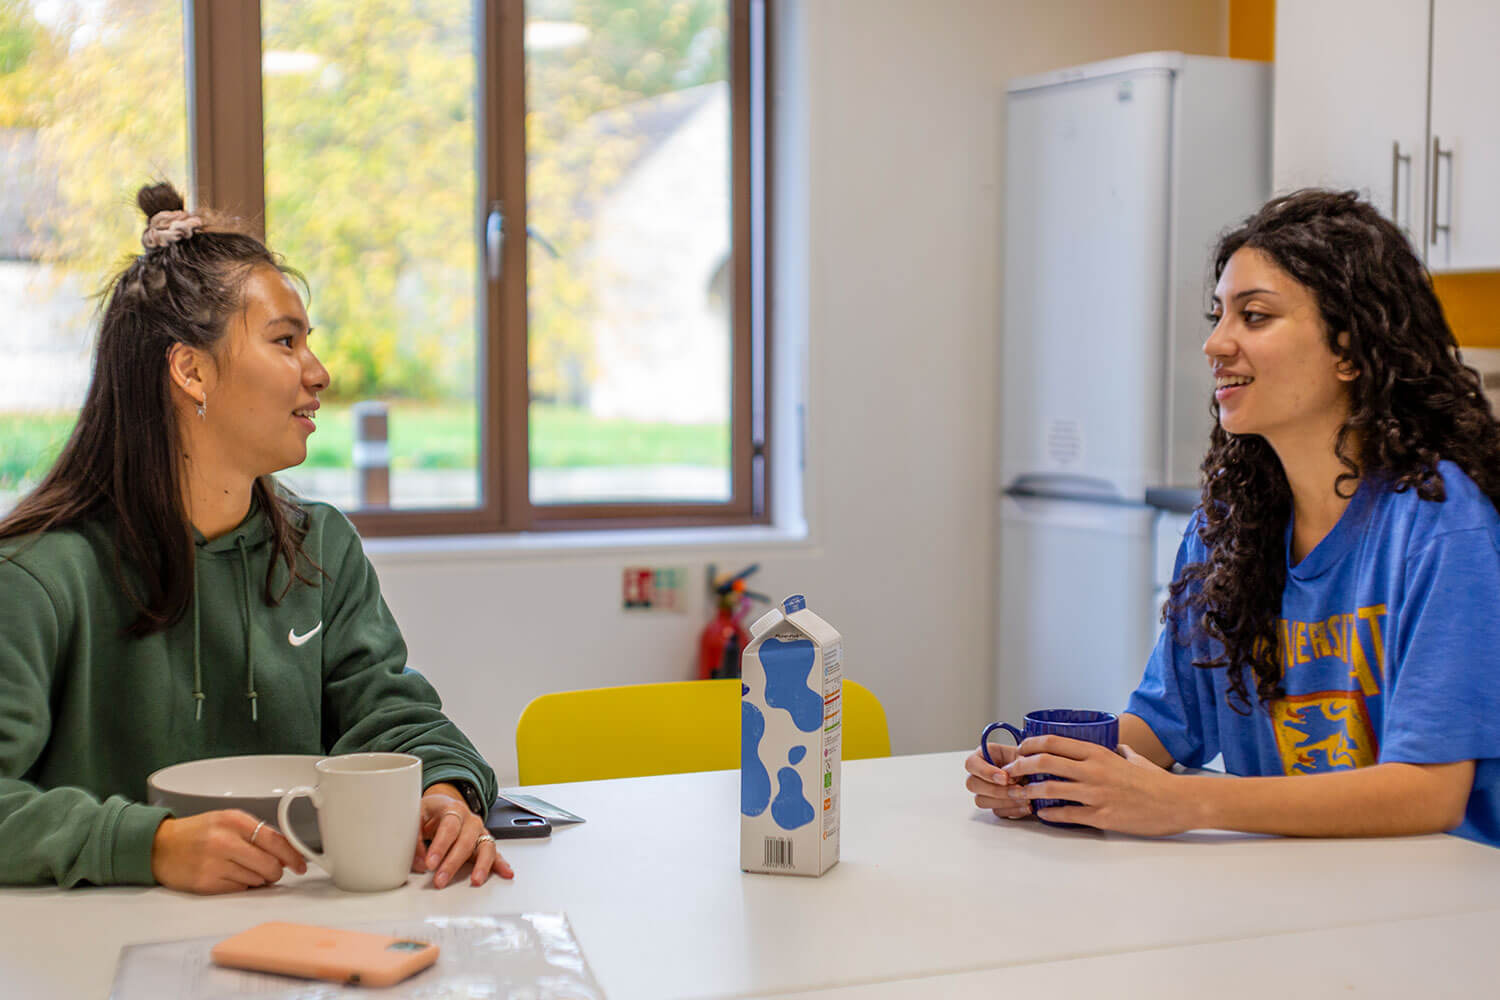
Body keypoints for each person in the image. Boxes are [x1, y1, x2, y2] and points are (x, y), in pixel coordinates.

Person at [0, 182, 512, 892]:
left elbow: (397, 718)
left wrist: (444, 793)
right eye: (285, 341)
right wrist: (151, 847)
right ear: (190, 369)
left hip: (306, 941)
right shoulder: (36, 577)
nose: (319, 373)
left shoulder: (322, 547)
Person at [967, 189, 1500, 845]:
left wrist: (1188, 803)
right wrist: (1049, 773)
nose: (1215, 343)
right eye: (1219, 315)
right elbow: (1164, 728)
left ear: (1351, 351)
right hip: (1286, 891)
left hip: (1435, 906)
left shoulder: (1439, 522)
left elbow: (1431, 792)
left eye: (1254, 316)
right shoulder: (1229, 524)